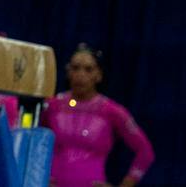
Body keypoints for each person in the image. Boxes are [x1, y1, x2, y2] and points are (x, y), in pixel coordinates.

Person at [41, 46, 153, 187]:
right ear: (68, 72)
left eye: (88, 69)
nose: (80, 74)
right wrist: (38, 178)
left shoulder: (112, 111)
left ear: (98, 75)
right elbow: (30, 141)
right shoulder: (51, 105)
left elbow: (145, 152)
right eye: (75, 68)